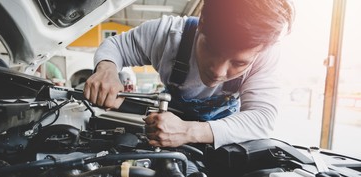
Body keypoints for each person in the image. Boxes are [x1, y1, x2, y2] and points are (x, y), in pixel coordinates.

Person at [84, 0, 295, 149]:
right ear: (202, 22)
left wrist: (187, 131)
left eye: (239, 63)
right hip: (164, 138)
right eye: (212, 49)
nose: (218, 71)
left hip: (222, 144)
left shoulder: (264, 55)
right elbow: (116, 46)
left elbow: (261, 118)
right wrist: (107, 69)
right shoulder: (167, 35)